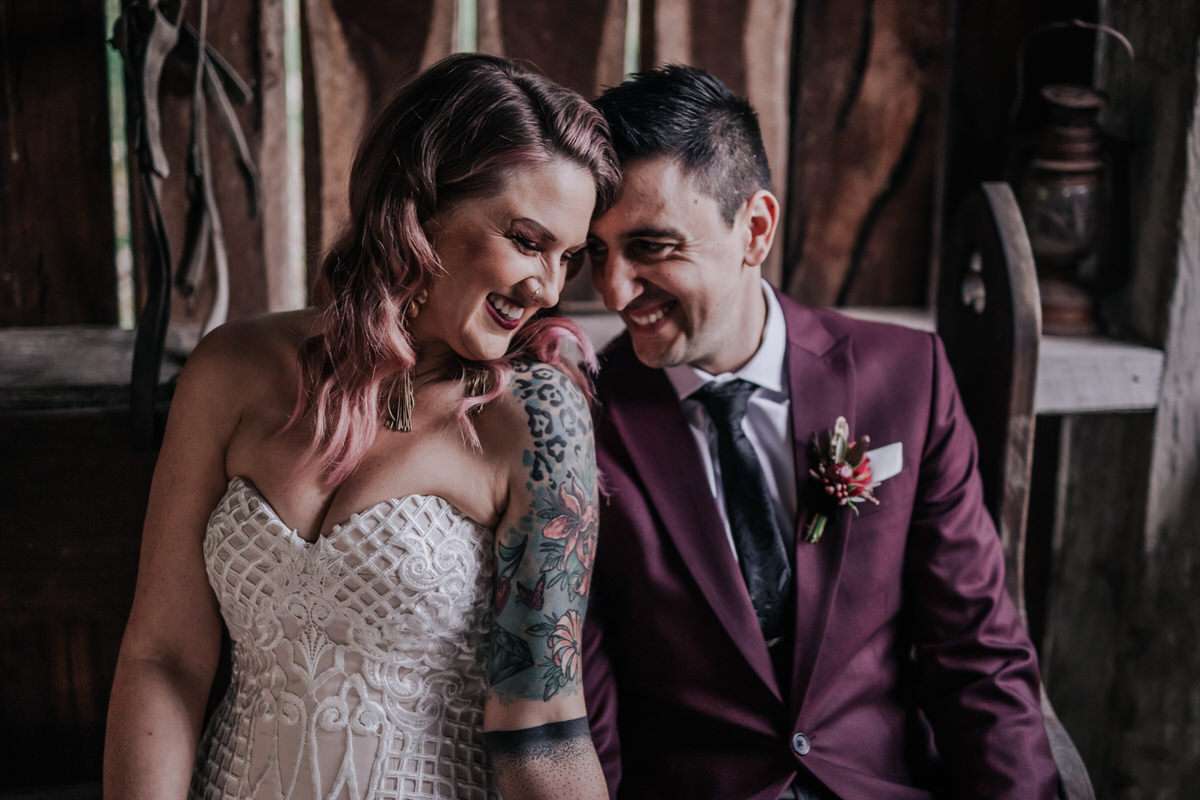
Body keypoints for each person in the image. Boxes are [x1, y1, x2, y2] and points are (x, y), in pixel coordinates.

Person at [103, 53, 617, 800]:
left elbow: (543, 722)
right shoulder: (230, 370)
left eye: (568, 257)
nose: (547, 287)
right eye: (528, 241)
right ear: (421, 206)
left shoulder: (537, 421)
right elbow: (163, 657)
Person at [581, 65, 1059, 799]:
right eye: (597, 251)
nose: (614, 289)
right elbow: (588, 709)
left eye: (652, 246)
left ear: (755, 229)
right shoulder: (582, 420)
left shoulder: (908, 379)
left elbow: (976, 655)